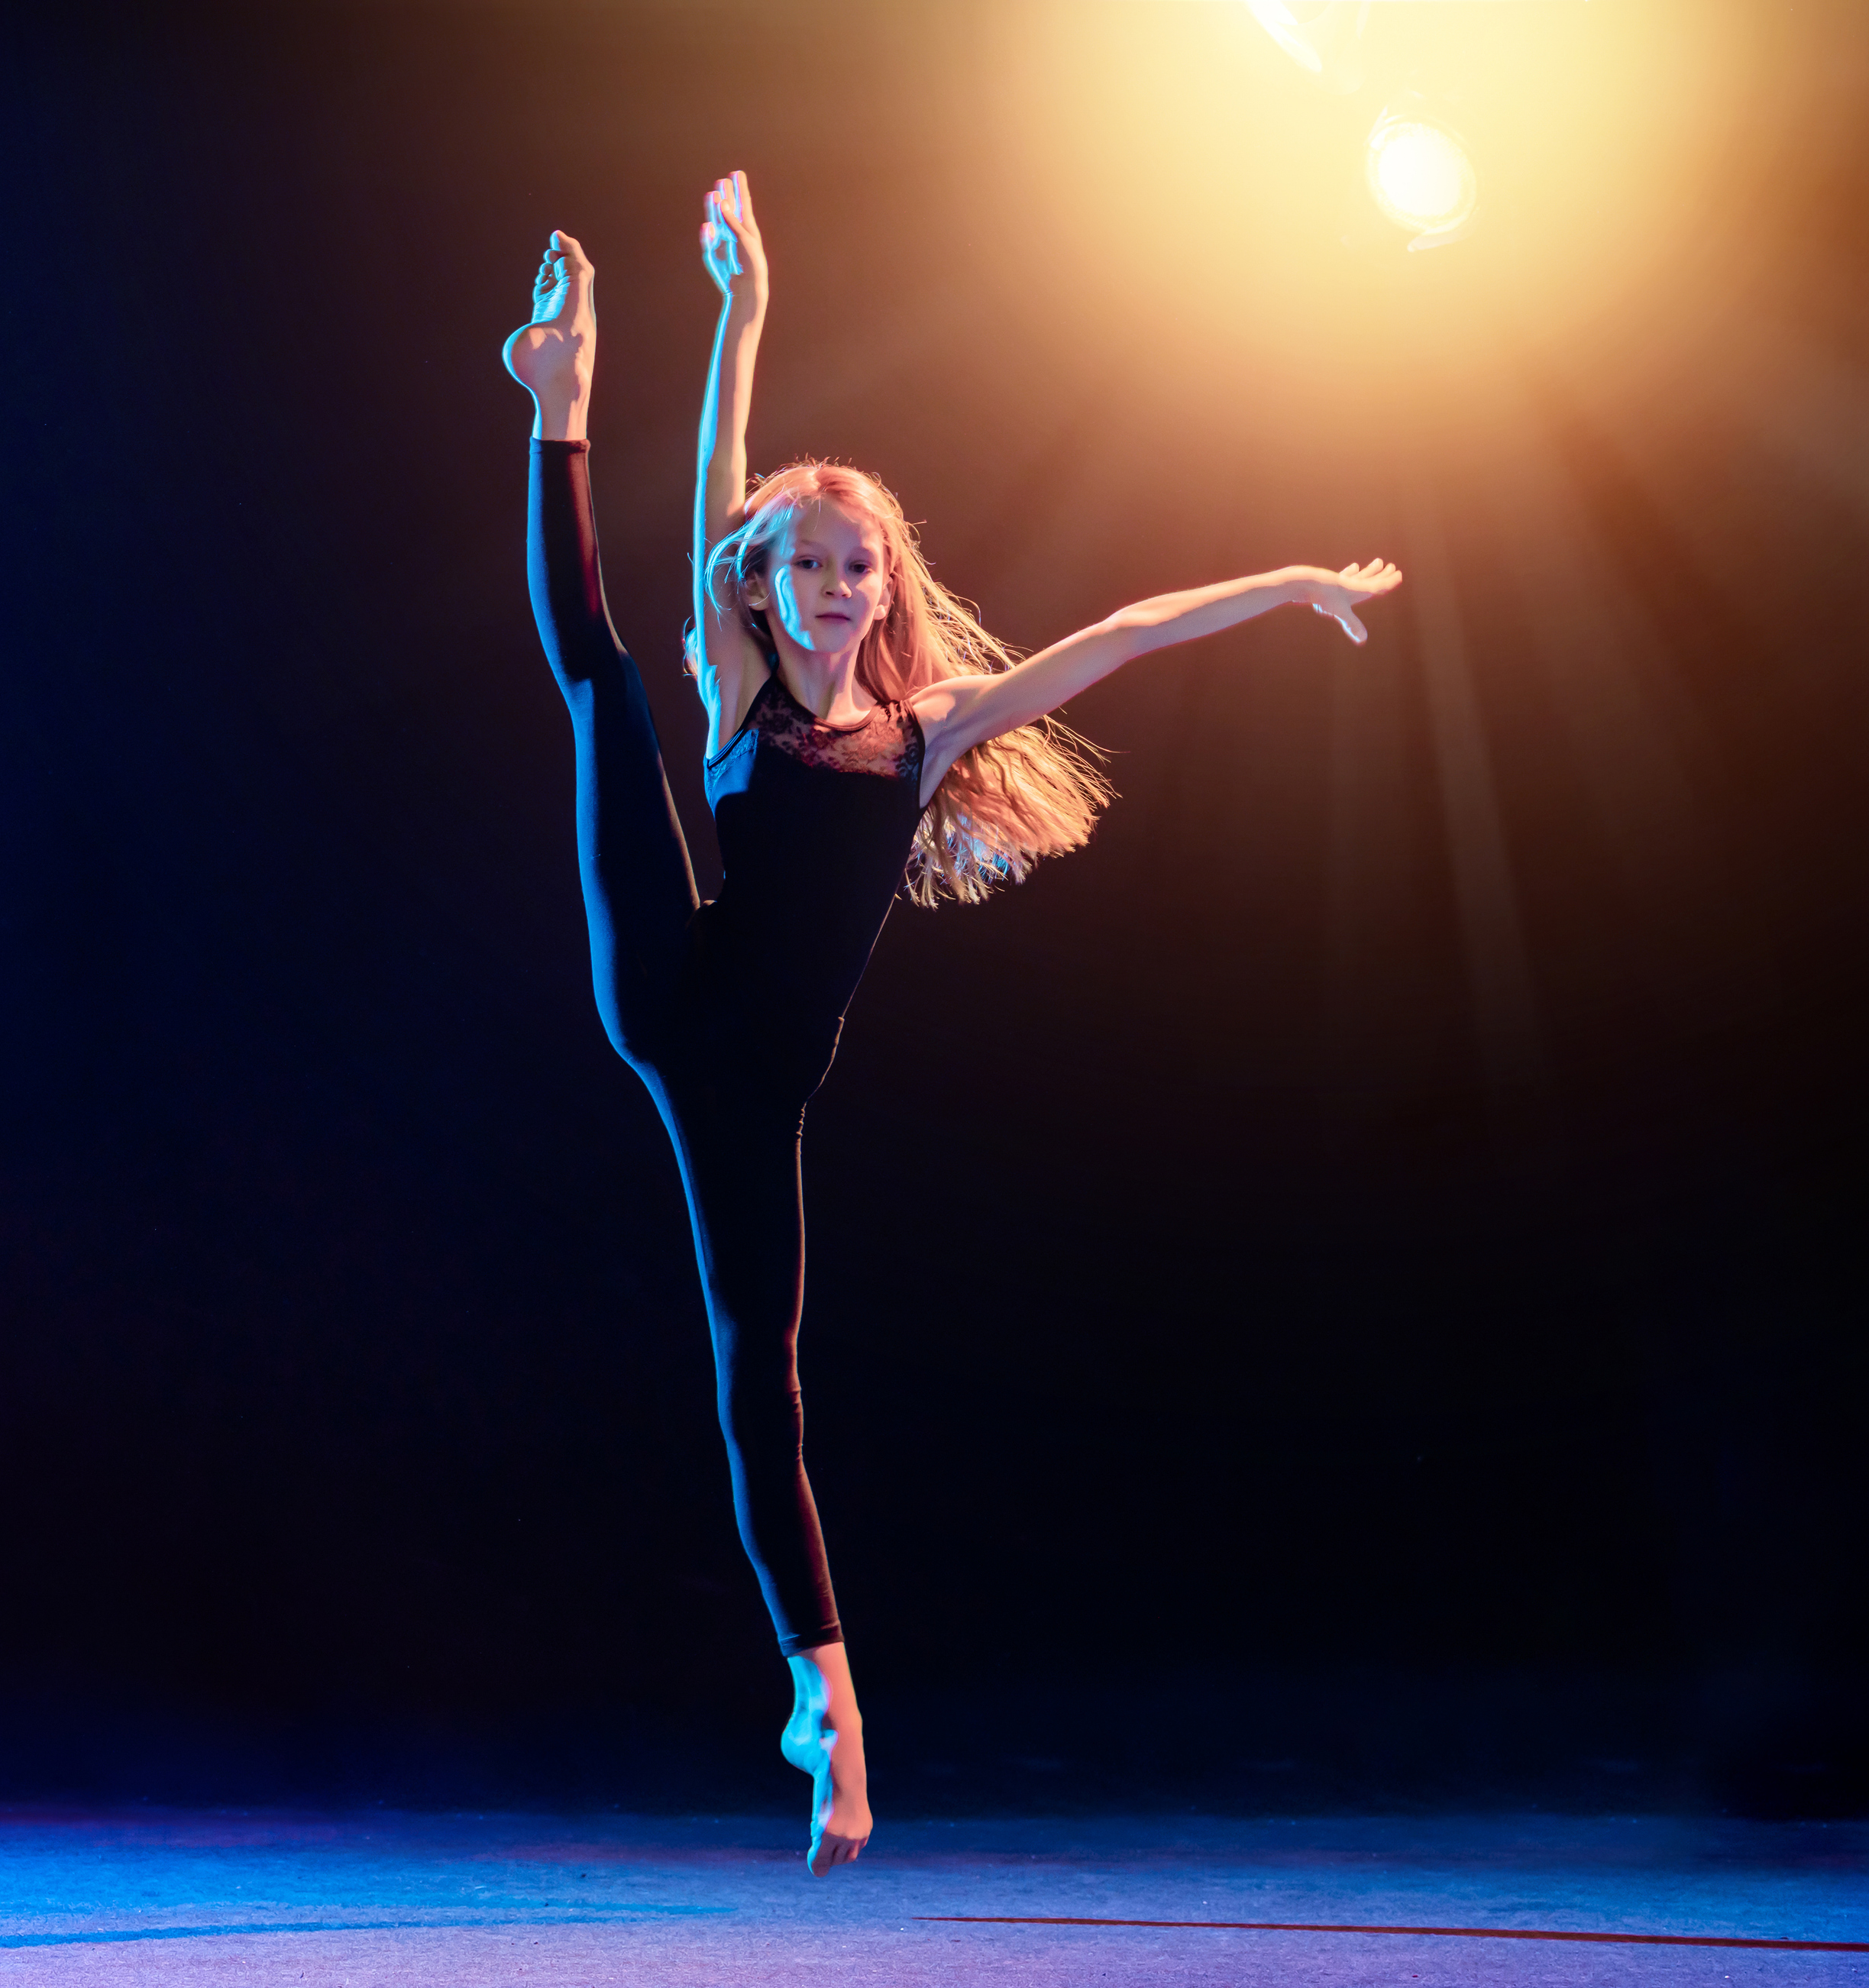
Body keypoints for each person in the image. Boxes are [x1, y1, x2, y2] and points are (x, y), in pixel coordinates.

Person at [501, 171, 1402, 1874]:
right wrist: (741, 309)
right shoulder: (743, 683)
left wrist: (1287, 582)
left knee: (752, 1373)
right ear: (758, 585)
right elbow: (714, 491)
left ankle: (824, 1706)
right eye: (806, 563)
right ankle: (556, 403)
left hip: (755, 1085)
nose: (837, 584)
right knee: (601, 683)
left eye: (859, 564)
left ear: (885, 583)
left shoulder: (924, 731)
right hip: (668, 993)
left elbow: (1123, 636)